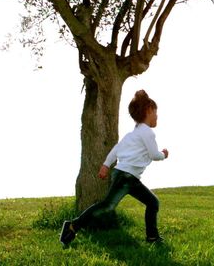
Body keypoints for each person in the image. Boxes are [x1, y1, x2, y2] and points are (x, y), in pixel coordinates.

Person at [60, 90, 169, 246]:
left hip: (127, 177)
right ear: (149, 110)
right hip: (126, 177)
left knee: (152, 202)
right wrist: (164, 154)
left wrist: (106, 165)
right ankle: (73, 225)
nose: (157, 116)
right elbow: (154, 154)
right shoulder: (147, 133)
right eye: (156, 113)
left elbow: (116, 150)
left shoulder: (132, 135)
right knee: (107, 206)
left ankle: (152, 237)